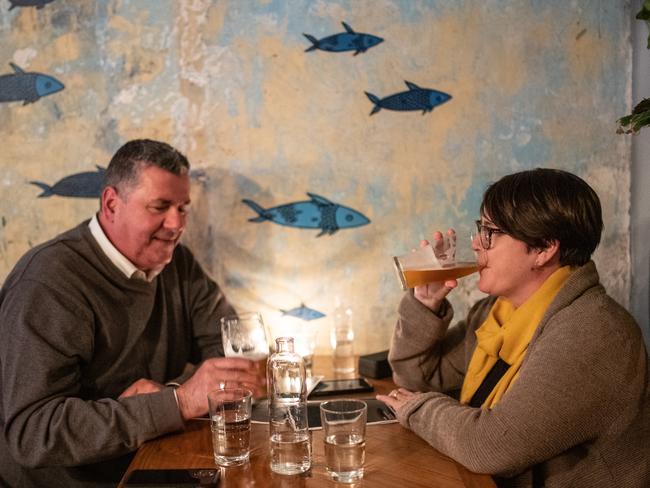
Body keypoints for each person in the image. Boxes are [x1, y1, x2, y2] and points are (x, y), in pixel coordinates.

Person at [0, 139, 265, 487]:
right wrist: (178, 402)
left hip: (149, 463)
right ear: (112, 203)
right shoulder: (48, 280)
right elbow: (34, 433)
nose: (176, 223)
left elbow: (230, 351)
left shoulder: (177, 263)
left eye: (183, 207)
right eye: (160, 206)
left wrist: (168, 396)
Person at [378, 168, 649, 487]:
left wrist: (416, 409)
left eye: (490, 232)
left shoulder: (593, 332)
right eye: (480, 229)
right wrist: (425, 303)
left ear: (544, 248)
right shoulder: (498, 312)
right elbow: (418, 378)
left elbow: (489, 446)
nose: (477, 244)